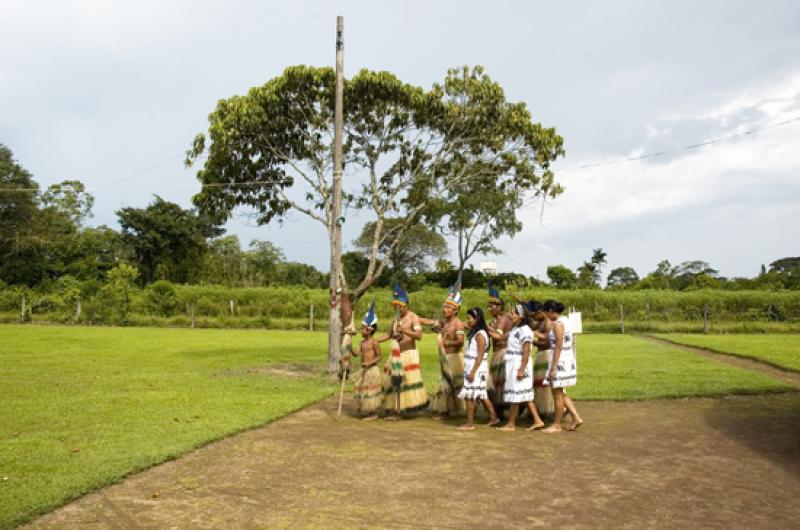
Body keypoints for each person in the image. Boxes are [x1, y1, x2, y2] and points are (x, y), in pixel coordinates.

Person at [377, 281, 429, 418]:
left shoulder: (414, 317)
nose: (399, 309)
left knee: (402, 382)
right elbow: (389, 334)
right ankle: (392, 406)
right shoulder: (395, 319)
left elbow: (419, 336)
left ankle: (399, 410)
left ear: (407, 305)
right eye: (396, 307)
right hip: (395, 354)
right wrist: (375, 340)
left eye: (401, 307)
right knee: (390, 380)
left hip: (408, 354)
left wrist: (405, 330)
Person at [496, 303, 545, 432]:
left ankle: (511, 424)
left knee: (516, 395)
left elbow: (527, 351)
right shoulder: (515, 329)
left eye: (513, 313)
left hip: (519, 363)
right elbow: (501, 337)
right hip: (513, 363)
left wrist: (522, 369)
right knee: (525, 395)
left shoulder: (525, 331)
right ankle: (538, 420)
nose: (510, 315)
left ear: (521, 316)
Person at [422, 285, 466, 418]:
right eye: (444, 307)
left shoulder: (458, 324)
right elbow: (431, 322)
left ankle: (452, 410)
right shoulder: (445, 322)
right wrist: (416, 318)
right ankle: (449, 410)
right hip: (445, 357)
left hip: (454, 358)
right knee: (447, 384)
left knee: (453, 384)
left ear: (455, 310)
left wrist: (444, 341)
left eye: (448, 308)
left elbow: (460, 342)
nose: (445, 309)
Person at [541, 300, 584, 433]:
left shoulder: (558, 325)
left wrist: (553, 368)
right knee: (560, 392)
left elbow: (558, 347)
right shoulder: (564, 321)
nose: (545, 314)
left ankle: (557, 424)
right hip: (565, 359)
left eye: (546, 311)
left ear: (551, 311)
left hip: (560, 361)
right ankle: (576, 417)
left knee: (557, 394)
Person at [457, 307, 499, 430]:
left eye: (469, 318)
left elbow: (480, 355)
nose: (468, 320)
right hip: (474, 366)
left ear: (477, 319)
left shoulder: (480, 334)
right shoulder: (476, 332)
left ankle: (469, 423)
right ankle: (494, 417)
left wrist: (473, 372)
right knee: (481, 394)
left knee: (469, 395)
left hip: (476, 368)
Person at [351, 300, 383, 420]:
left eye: (363, 328)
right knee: (362, 390)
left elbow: (379, 356)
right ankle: (368, 409)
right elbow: (356, 353)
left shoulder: (374, 342)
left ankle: (373, 412)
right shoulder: (362, 343)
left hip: (372, 370)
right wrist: (348, 345)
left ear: (369, 330)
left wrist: (370, 362)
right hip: (364, 370)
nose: (361, 330)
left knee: (371, 391)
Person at [486, 282, 512, 419]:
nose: (489, 309)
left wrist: (483, 327)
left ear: (500, 307)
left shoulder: (504, 318)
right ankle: (499, 411)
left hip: (503, 354)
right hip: (496, 355)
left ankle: (511, 409)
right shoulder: (492, 321)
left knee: (502, 383)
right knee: (496, 384)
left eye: (492, 306)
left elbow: (499, 335)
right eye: (488, 306)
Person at [530, 299, 555, 420]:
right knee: (539, 384)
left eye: (535, 314)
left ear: (541, 312)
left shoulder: (548, 322)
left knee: (546, 385)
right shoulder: (539, 322)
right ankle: (542, 408)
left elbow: (548, 342)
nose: (534, 317)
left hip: (546, 355)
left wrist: (533, 338)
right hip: (541, 356)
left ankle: (550, 409)